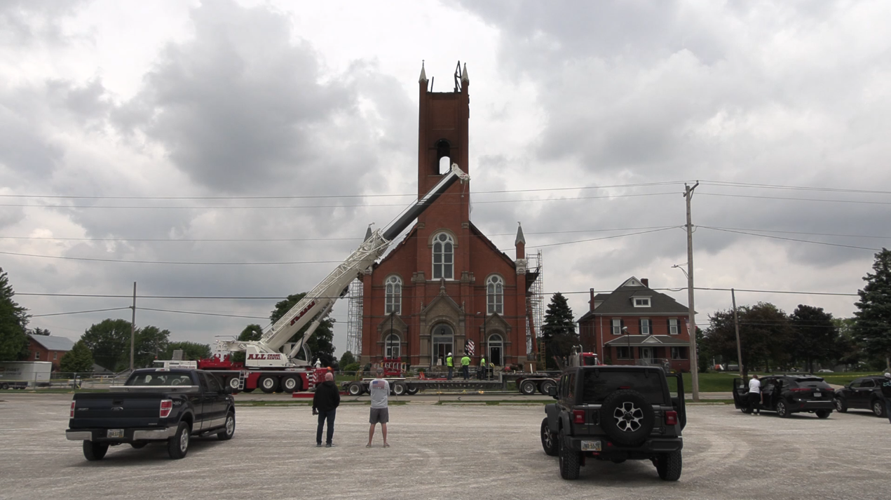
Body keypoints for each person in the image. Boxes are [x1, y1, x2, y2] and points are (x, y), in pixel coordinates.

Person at [312, 372, 340, 447]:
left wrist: (314, 408)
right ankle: (328, 442)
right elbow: (337, 399)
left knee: (320, 425)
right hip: (331, 409)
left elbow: (315, 398)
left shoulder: (320, 387)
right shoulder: (334, 387)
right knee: (330, 425)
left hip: (321, 409)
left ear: (325, 378)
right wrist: (334, 406)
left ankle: (318, 442)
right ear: (331, 378)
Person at [367, 367, 390, 448]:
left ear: (376, 374)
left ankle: (369, 442)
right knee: (384, 423)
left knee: (372, 424)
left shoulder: (372, 382)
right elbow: (388, 393)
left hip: (374, 406)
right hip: (383, 406)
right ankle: (384, 442)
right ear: (383, 374)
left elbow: (370, 391)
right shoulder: (386, 382)